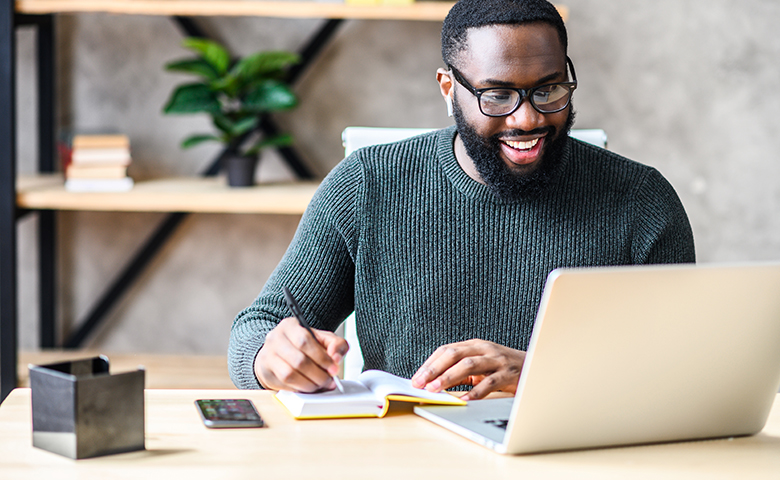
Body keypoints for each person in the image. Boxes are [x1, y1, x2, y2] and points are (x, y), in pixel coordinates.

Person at [228, 0, 695, 401]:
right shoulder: (366, 186)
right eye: (496, 95)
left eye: (548, 89)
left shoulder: (641, 201)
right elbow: (256, 328)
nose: (527, 118)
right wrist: (272, 358)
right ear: (448, 88)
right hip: (407, 455)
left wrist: (541, 374)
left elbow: (686, 371)